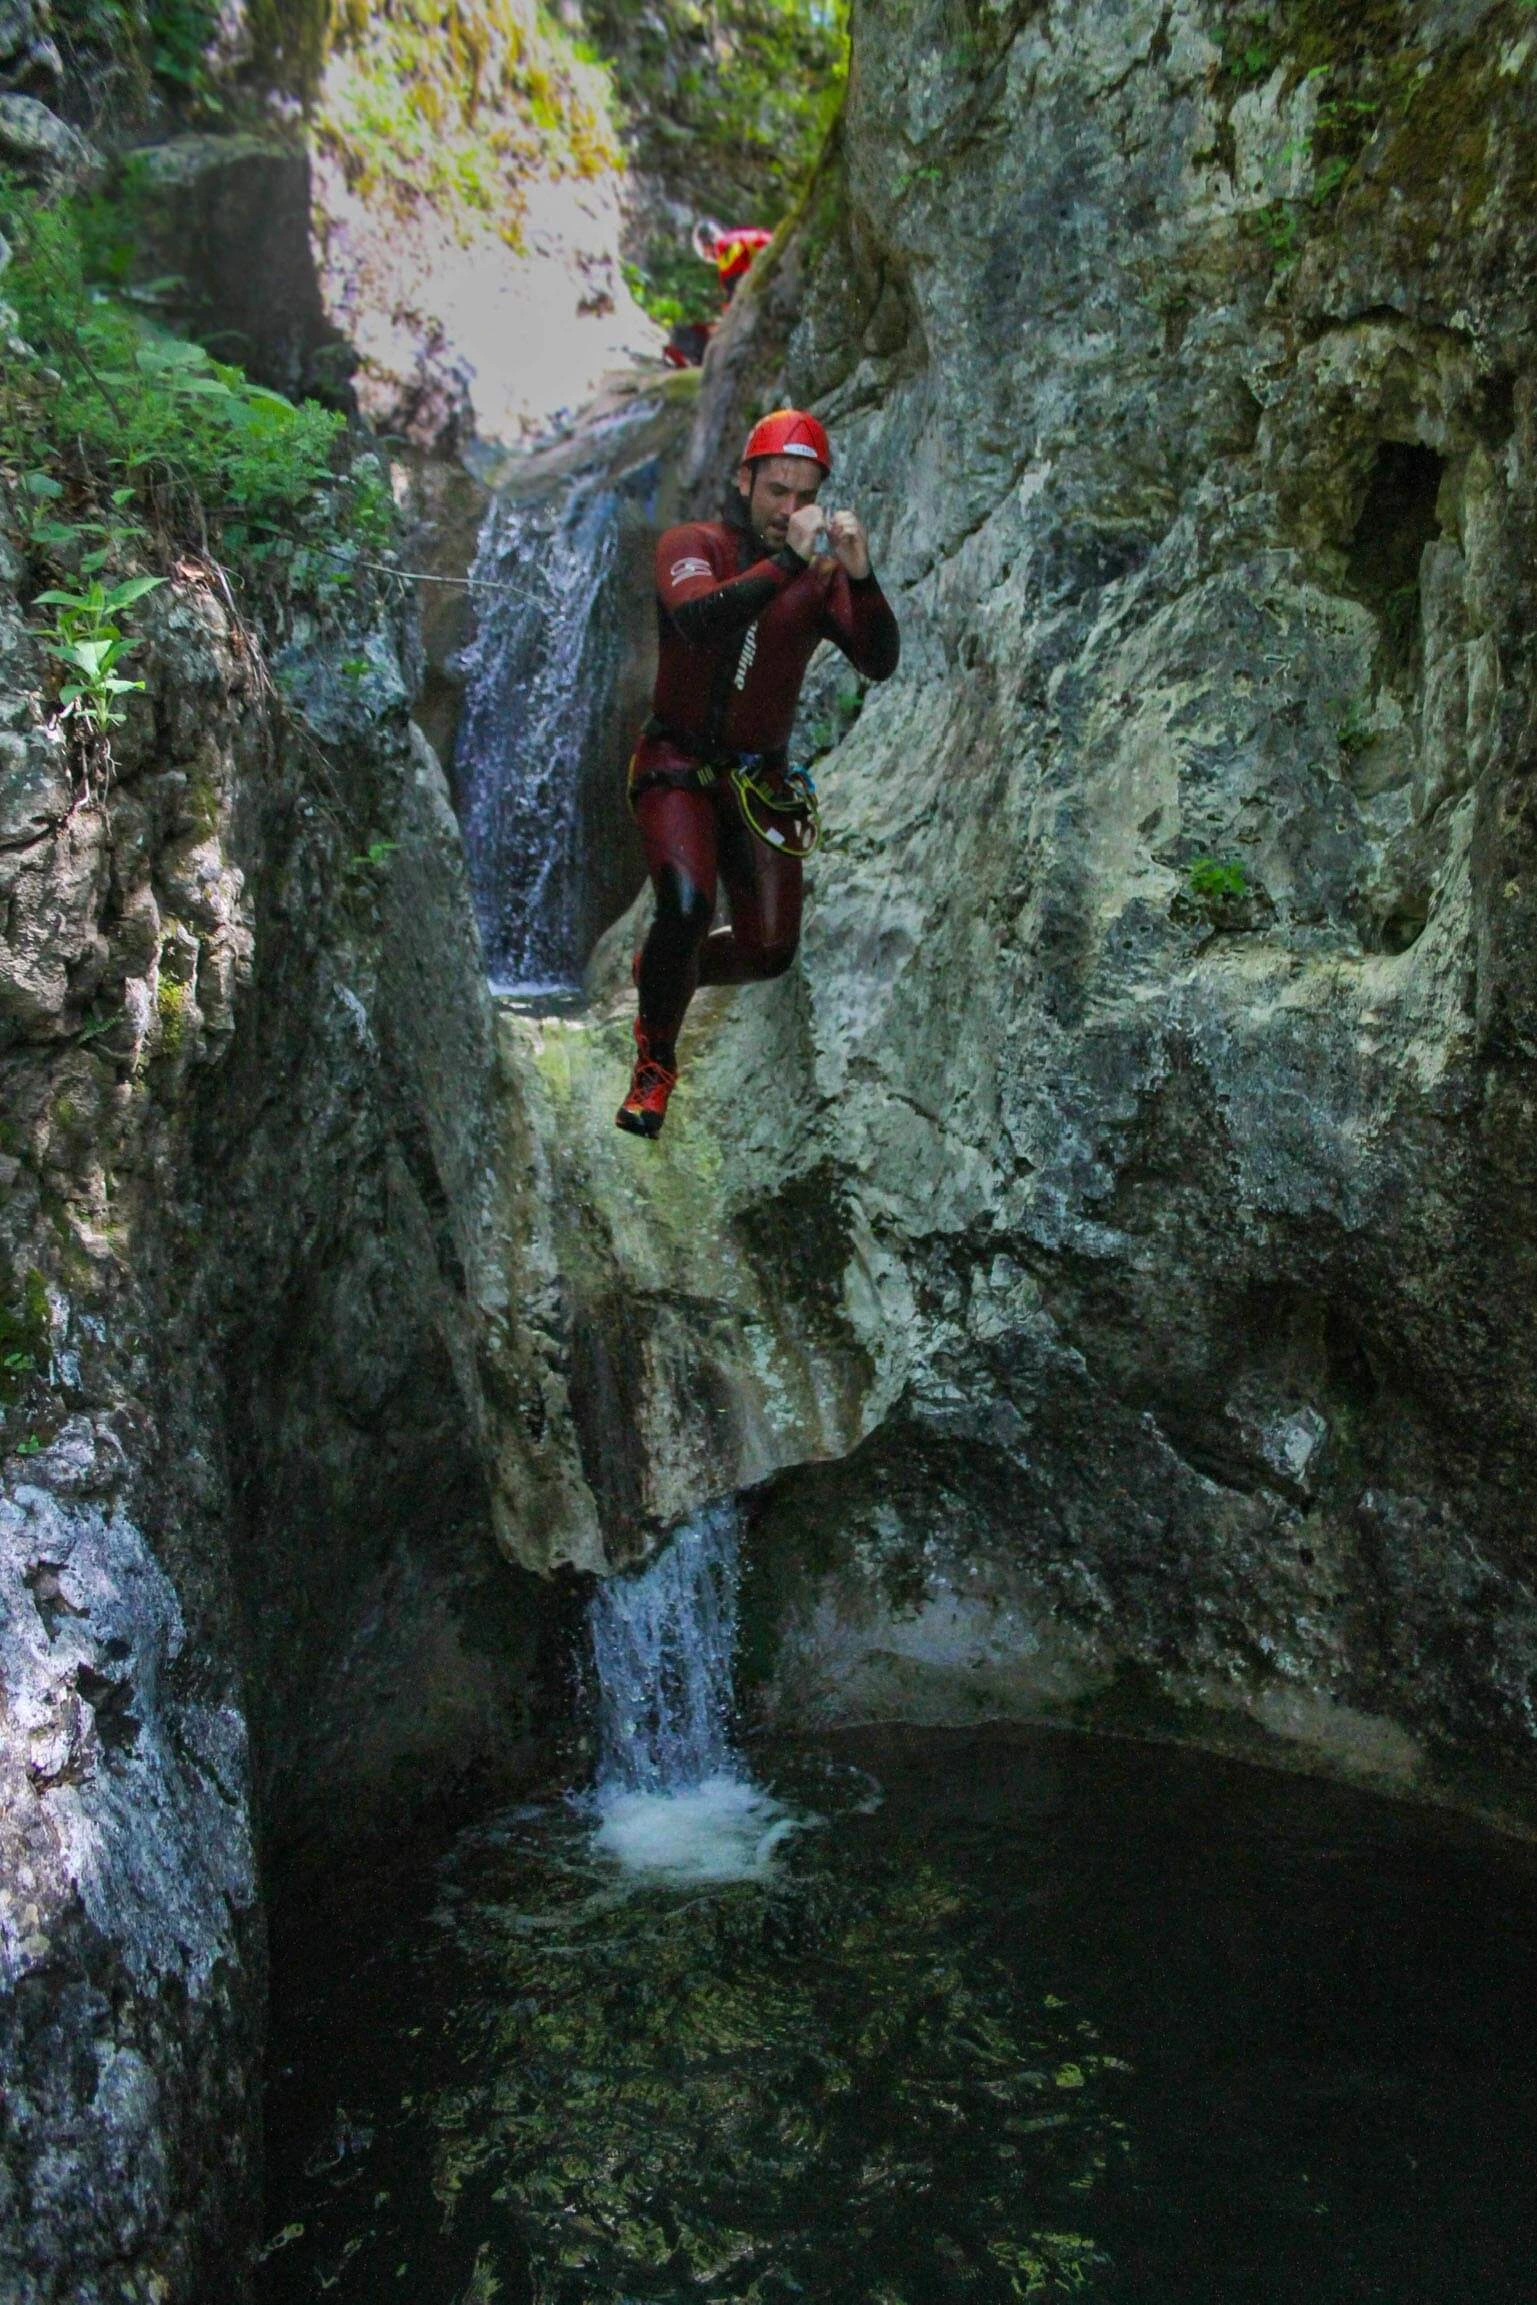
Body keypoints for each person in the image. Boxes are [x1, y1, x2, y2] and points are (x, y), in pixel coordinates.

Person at [617, 407, 900, 1138]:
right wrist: (785, 565)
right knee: (685, 904)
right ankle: (655, 1061)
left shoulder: (821, 578)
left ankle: (664, 968)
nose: (789, 509)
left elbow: (880, 660)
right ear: (744, 480)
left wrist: (860, 575)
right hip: (676, 762)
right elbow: (698, 618)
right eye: (776, 490)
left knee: (768, 950)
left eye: (804, 494)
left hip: (760, 780)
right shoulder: (694, 544)